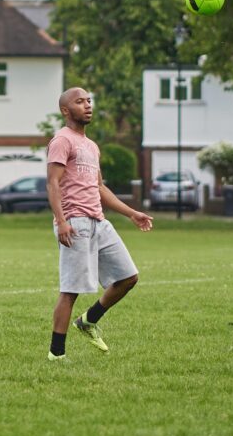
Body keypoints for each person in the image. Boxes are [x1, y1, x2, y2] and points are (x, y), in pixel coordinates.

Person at [45, 86, 153, 361]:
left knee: (128, 277)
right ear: (66, 110)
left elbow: (99, 187)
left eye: (89, 101)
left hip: (99, 222)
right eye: (80, 102)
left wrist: (131, 213)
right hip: (75, 223)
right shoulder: (62, 140)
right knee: (70, 291)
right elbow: (52, 183)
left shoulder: (91, 146)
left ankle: (89, 320)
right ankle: (56, 354)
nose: (88, 105)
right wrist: (62, 221)